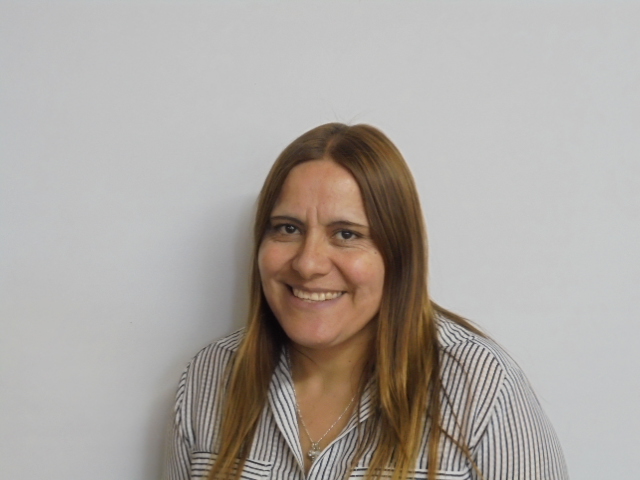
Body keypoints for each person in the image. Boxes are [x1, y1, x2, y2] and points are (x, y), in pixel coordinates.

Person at [164, 123, 568, 480]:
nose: (307, 263)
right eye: (287, 228)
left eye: (346, 234)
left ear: (397, 252)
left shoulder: (479, 388)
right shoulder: (210, 378)